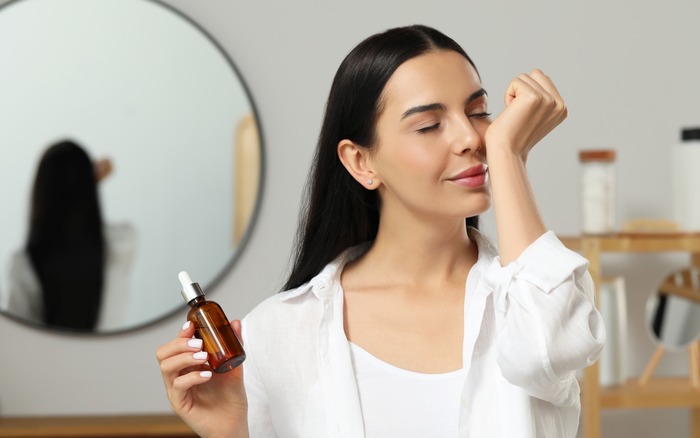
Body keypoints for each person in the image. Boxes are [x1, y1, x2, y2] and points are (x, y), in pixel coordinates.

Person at [157, 25, 605, 437]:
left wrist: (508, 154)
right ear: (360, 161)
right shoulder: (277, 334)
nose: (471, 137)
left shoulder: (527, 303)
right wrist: (234, 431)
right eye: (429, 125)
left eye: (479, 112)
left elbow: (557, 346)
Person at [3, 140, 137, 332]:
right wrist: (86, 184)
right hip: (111, 360)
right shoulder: (121, 244)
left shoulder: (23, 264)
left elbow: (17, 337)